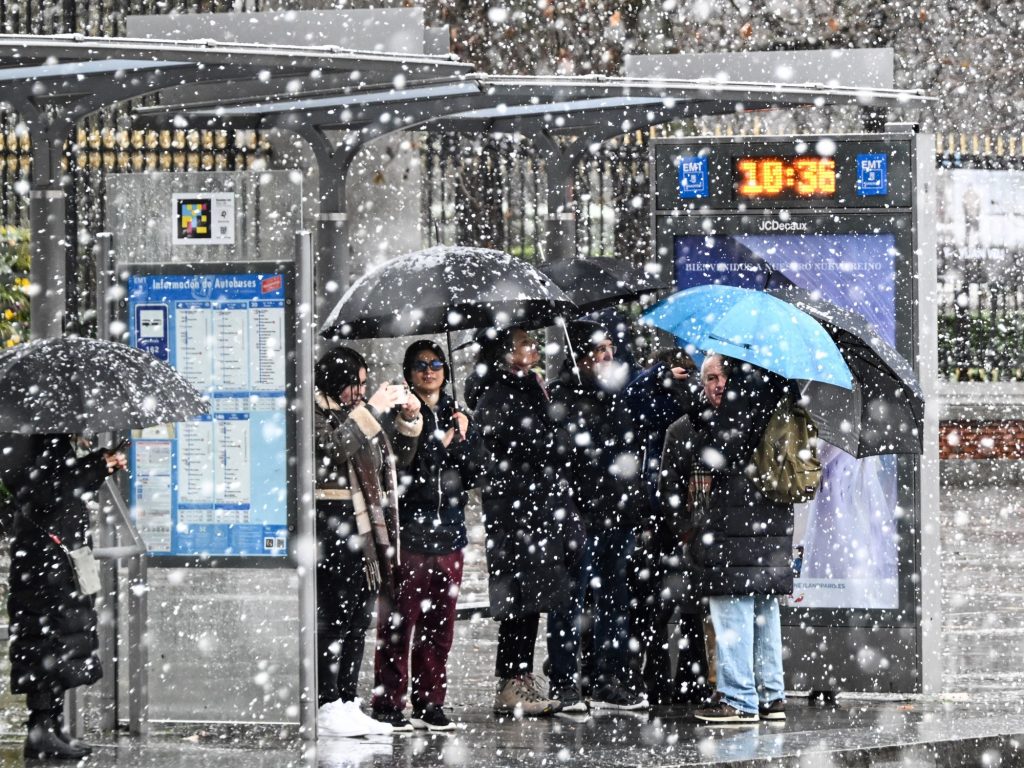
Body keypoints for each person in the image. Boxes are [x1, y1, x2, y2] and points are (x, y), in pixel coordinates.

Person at [372, 340, 483, 732]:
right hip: (410, 537)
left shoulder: (457, 414)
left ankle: (430, 702)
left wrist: (461, 441)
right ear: (408, 372)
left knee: (440, 629)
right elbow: (400, 471)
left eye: (436, 363)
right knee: (399, 624)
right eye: (420, 364)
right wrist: (439, 444)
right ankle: (388, 701)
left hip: (449, 537)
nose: (429, 370)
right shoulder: (395, 412)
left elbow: (473, 474)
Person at [313, 346, 423, 739]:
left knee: (359, 619)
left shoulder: (354, 413)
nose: (358, 392)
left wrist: (409, 421)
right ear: (333, 381)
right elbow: (333, 449)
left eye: (362, 385)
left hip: (364, 532)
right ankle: (326, 702)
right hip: (332, 527)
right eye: (352, 385)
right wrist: (371, 410)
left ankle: (346, 699)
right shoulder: (316, 413)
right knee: (333, 618)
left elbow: (393, 460)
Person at [6, 433, 127, 759]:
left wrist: (100, 467)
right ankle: (41, 729)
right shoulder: (26, 438)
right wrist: (95, 466)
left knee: (61, 637)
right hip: (44, 557)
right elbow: (45, 491)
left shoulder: (46, 436)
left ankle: (51, 727)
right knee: (47, 638)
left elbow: (61, 488)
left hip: (55, 553)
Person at [687, 354, 793, 724]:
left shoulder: (743, 390)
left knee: (731, 605)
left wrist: (698, 418)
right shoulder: (779, 384)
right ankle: (771, 695)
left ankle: (738, 698)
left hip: (737, 518)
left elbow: (720, 452)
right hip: (771, 518)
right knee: (764, 607)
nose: (717, 385)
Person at [547, 320, 645, 711]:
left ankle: (609, 677)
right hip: (580, 518)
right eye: (599, 349)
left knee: (614, 601)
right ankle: (564, 681)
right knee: (570, 601)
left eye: (610, 348)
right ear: (581, 355)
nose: (608, 355)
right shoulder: (563, 397)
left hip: (617, 516)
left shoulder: (616, 394)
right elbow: (560, 460)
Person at [472, 326, 567, 717]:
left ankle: (521, 675)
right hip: (512, 510)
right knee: (516, 596)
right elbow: (507, 444)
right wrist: (549, 437)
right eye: (526, 344)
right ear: (507, 353)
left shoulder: (532, 386)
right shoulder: (496, 393)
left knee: (533, 595)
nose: (534, 348)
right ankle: (512, 679)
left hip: (536, 506)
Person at [622, 348, 704, 702]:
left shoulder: (693, 404)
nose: (683, 375)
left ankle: (685, 678)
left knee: (683, 604)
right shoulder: (651, 401)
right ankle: (658, 677)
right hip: (656, 514)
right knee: (652, 604)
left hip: (681, 515)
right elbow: (632, 399)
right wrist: (658, 375)